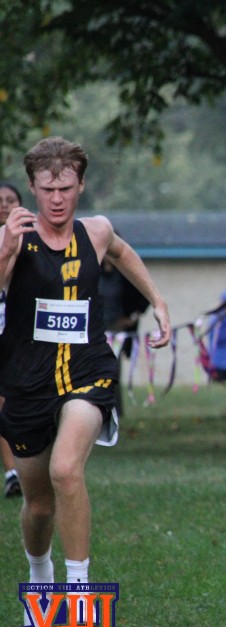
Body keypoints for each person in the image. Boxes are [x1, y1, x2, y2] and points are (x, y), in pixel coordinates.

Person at [0, 137, 171, 592]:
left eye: (66, 188)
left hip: (87, 371)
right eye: (47, 189)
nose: (57, 199)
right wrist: (6, 249)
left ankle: (79, 590)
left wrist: (158, 301)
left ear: (80, 185)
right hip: (26, 380)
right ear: (33, 188)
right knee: (39, 504)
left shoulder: (95, 231)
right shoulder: (13, 237)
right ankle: (40, 575)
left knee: (65, 469)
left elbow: (122, 252)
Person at [99, 252, 150, 414]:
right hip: (95, 328)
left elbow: (143, 297)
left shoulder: (124, 275)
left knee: (113, 368)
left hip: (117, 329)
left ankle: (115, 409)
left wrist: (132, 317)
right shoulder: (92, 272)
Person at [0, 181, 22, 497]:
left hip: (21, 329)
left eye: (10, 200)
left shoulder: (32, 239)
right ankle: (13, 471)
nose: (4, 205)